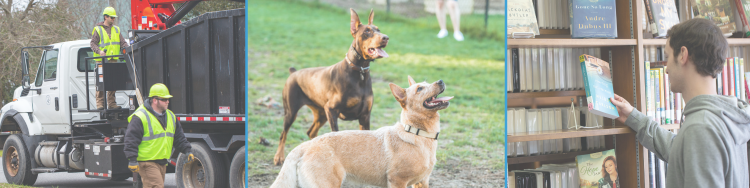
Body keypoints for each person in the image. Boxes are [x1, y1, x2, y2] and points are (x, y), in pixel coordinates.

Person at [609, 18, 750, 187]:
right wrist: (633, 117)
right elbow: (679, 150)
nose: (666, 68)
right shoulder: (725, 116)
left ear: (683, 55)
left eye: (668, 56)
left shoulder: (701, 127)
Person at [124, 83, 195, 188]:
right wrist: (132, 159)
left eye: (168, 99)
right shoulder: (140, 116)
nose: (167, 101)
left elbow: (179, 137)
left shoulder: (170, 116)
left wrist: (187, 150)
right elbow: (131, 139)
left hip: (162, 162)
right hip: (147, 162)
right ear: (155, 100)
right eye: (164, 99)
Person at [90, 7, 130, 110]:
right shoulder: (98, 29)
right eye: (112, 17)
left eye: (114, 18)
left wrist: (128, 49)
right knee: (101, 82)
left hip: (113, 59)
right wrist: (100, 52)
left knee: (113, 81)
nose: (113, 19)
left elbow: (123, 42)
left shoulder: (116, 29)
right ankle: (100, 104)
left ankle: (111, 103)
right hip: (101, 60)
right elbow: (92, 43)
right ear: (106, 17)